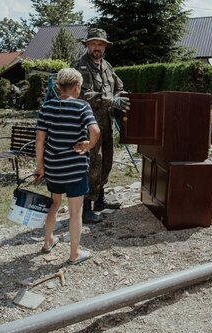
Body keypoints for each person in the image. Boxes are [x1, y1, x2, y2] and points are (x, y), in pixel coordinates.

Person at [35, 67, 100, 265]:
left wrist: (40, 166)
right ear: (76, 86)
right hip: (74, 169)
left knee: (54, 203)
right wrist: (89, 144)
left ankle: (47, 242)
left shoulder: (47, 107)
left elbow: (39, 139)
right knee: (76, 211)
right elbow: (95, 130)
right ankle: (74, 254)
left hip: (54, 167)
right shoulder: (82, 106)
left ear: (59, 87)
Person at [71, 28, 130, 224]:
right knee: (91, 164)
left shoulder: (107, 66)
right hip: (88, 125)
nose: (97, 47)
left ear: (105, 47)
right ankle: (86, 206)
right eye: (93, 43)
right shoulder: (79, 66)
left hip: (106, 123)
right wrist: (110, 100)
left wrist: (121, 97)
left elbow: (118, 87)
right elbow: (81, 94)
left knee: (106, 161)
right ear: (87, 45)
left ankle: (100, 200)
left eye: (100, 44)